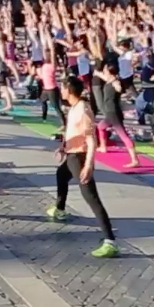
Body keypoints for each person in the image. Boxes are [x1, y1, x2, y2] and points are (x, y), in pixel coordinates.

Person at [47, 75, 119, 259]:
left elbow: (91, 140)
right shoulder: (74, 108)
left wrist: (88, 165)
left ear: (69, 90)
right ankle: (60, 208)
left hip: (79, 158)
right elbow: (73, 132)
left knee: (91, 198)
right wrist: (64, 148)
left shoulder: (83, 110)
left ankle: (110, 241)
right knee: (61, 175)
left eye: (62, 88)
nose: (60, 91)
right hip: (72, 155)